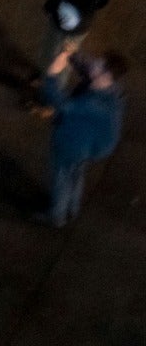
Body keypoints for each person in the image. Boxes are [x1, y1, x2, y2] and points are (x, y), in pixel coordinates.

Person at [45, 51, 126, 226]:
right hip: (89, 144)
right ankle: (72, 208)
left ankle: (57, 216)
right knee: (76, 173)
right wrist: (72, 56)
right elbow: (86, 70)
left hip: (74, 144)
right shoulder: (111, 89)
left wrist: (52, 74)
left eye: (98, 64)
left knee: (62, 178)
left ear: (106, 75)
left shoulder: (94, 103)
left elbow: (60, 103)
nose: (93, 64)